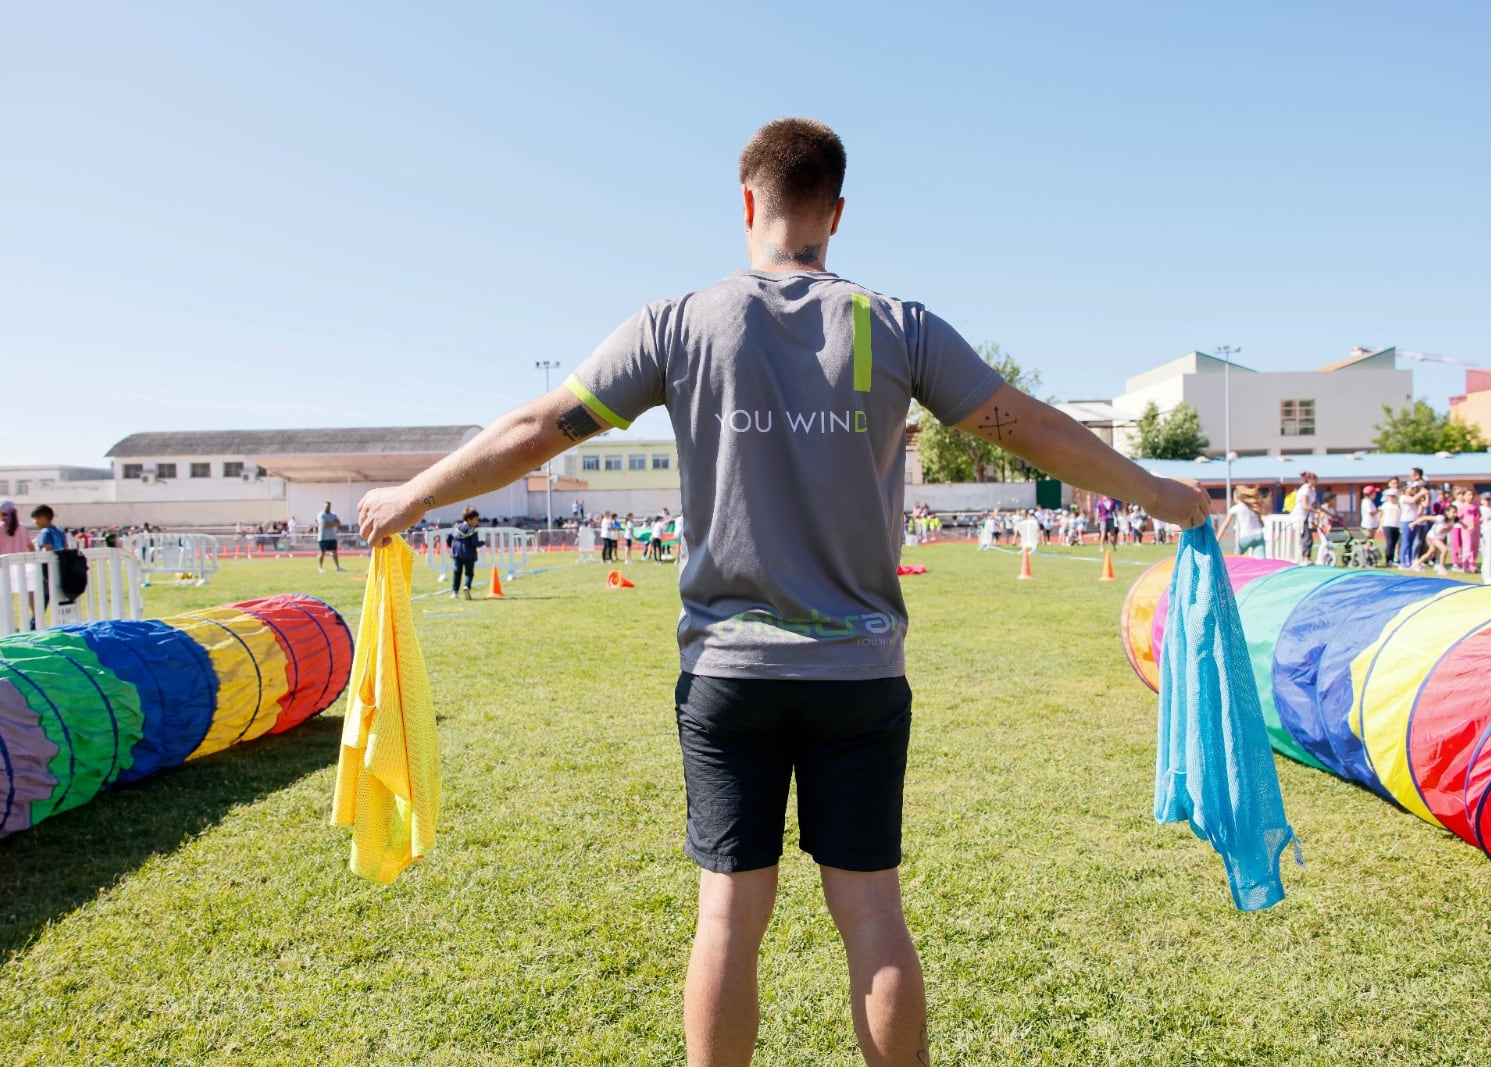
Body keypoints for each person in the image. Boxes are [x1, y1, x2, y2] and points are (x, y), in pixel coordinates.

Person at [356, 117, 1210, 1066]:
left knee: (727, 915)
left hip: (730, 673)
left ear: (747, 201)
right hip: (858, 674)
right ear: (837, 213)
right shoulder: (895, 326)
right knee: (873, 917)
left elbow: (541, 424)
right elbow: (1029, 425)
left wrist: (413, 493)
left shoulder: (679, 321)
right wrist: (1160, 493)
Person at [1218, 485, 1266, 558]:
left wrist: (1217, 539)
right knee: (1262, 560)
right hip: (1258, 535)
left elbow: (1225, 525)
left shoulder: (1236, 508)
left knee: (1237, 557)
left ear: (1236, 497)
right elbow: (1260, 521)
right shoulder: (1253, 506)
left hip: (1245, 536)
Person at [449, 507, 480, 599]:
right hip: (469, 554)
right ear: (469, 519)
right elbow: (474, 543)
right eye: (476, 519)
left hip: (457, 554)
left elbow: (449, 539)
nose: (477, 522)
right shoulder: (473, 530)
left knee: (457, 573)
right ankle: (466, 586)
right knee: (469, 573)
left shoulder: (456, 528)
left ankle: (454, 592)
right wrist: (482, 543)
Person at [1290, 471, 1320, 564]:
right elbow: (1305, 505)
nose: (1317, 481)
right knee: (1306, 537)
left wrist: (1323, 511)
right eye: (1315, 479)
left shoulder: (1312, 490)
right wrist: (1316, 511)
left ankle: (1306, 557)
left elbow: (1316, 503)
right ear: (1310, 480)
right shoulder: (1305, 489)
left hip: (1307, 516)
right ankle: (1305, 557)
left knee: (1309, 537)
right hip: (1301, 516)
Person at [317, 502, 344, 572]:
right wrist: (333, 524)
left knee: (335, 552)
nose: (327, 507)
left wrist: (330, 524)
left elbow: (339, 522)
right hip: (323, 537)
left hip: (332, 537)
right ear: (324, 506)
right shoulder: (321, 514)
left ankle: (338, 567)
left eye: (328, 506)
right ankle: (320, 567)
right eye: (326, 506)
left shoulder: (333, 514)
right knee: (322, 552)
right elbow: (324, 525)